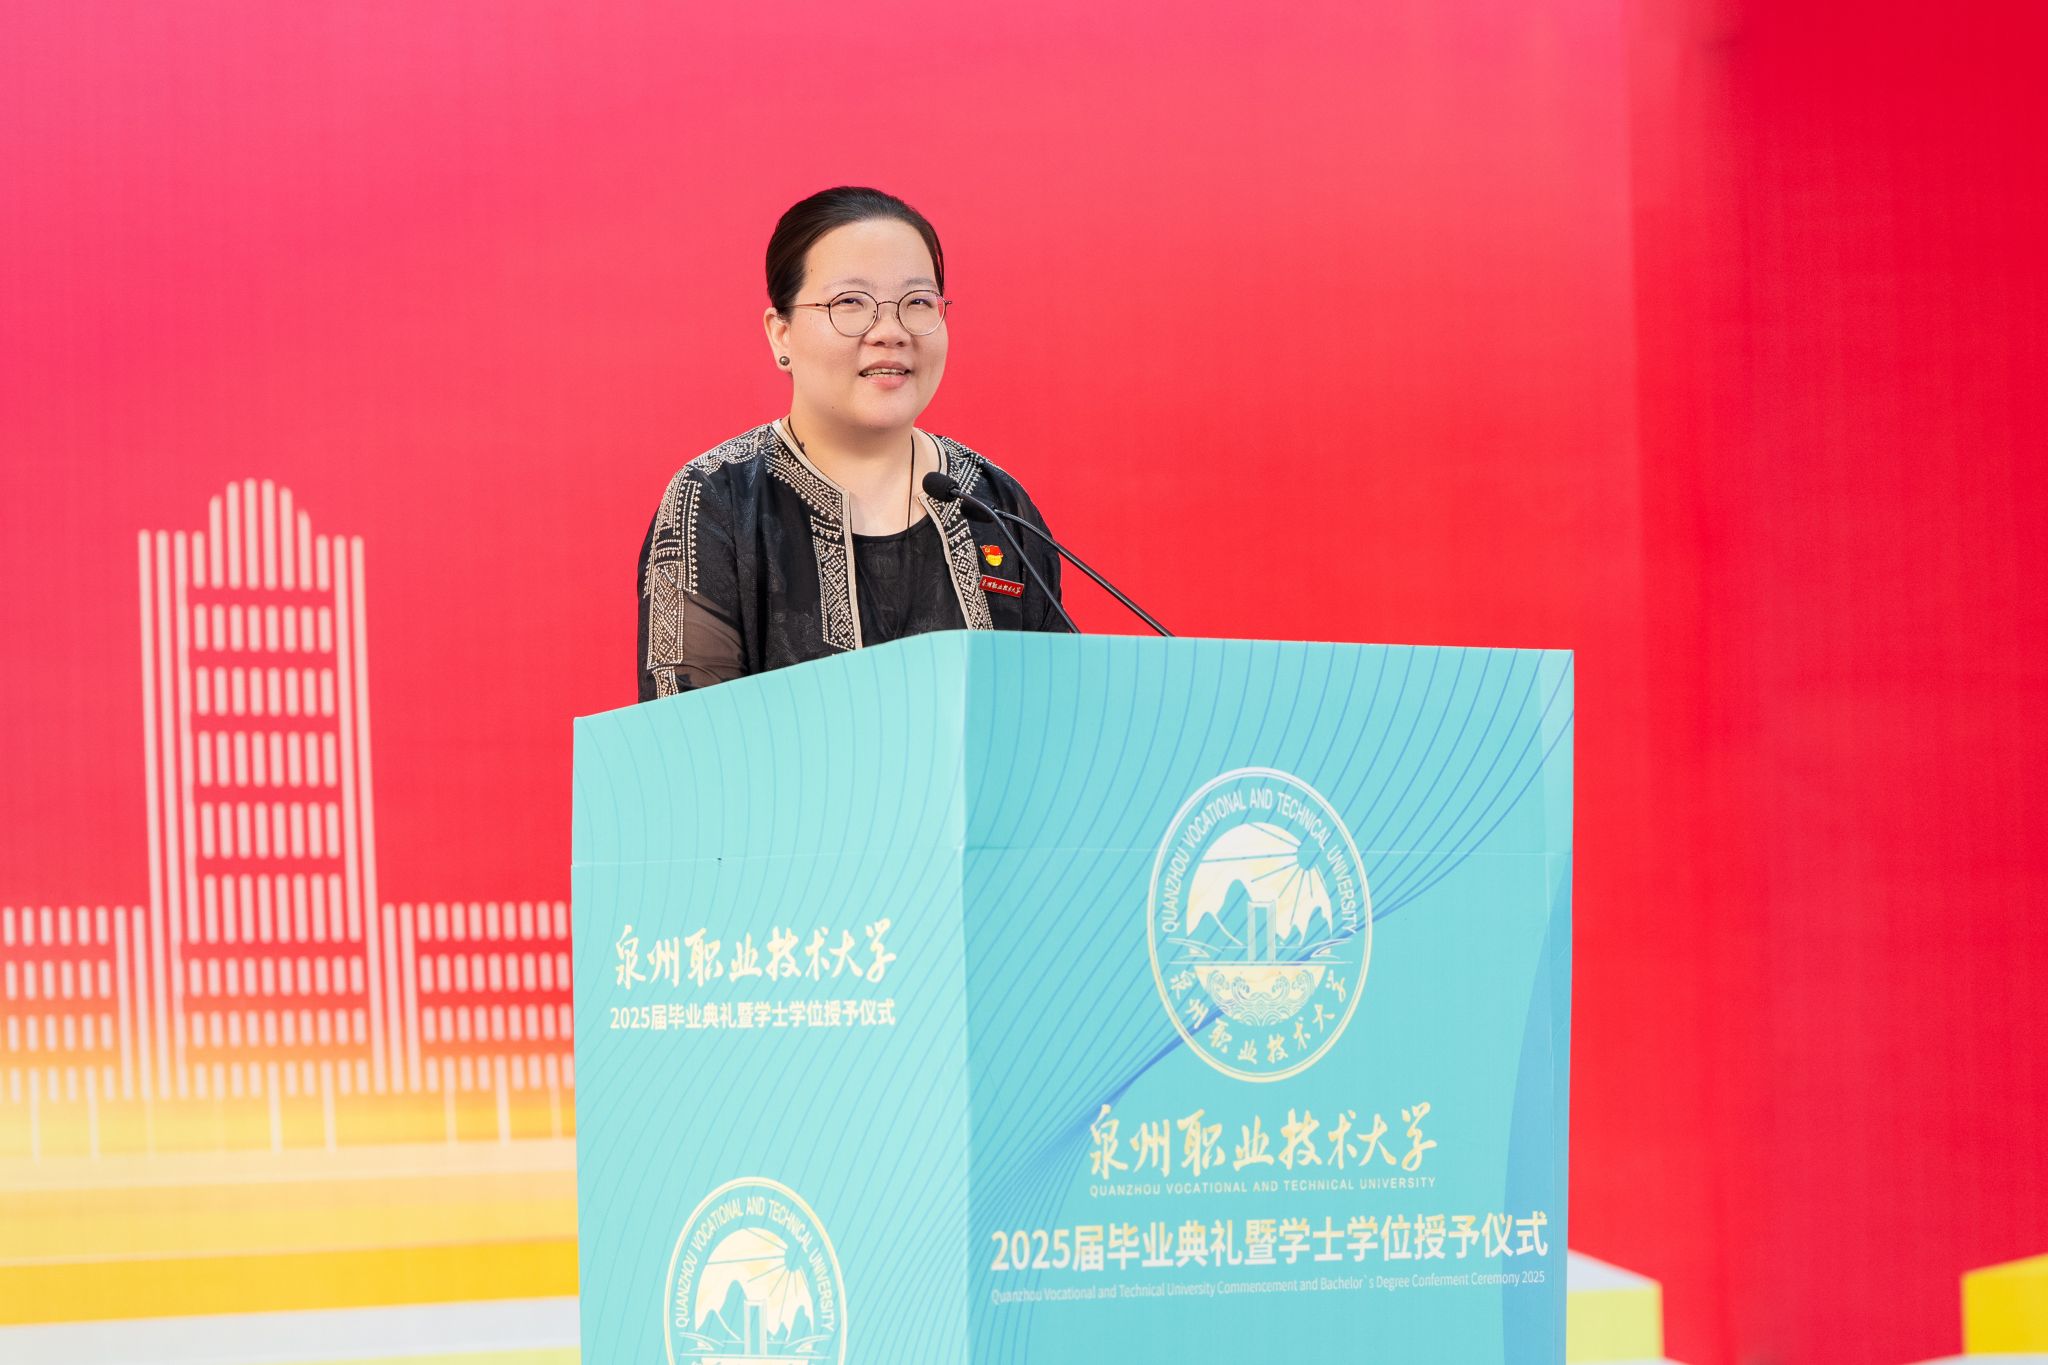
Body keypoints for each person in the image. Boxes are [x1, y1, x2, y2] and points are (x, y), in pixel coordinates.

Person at [636, 186, 1066, 700]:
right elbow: (685, 730)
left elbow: (1055, 712)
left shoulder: (996, 505)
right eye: (850, 303)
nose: (891, 332)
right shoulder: (716, 501)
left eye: (917, 302)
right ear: (781, 333)